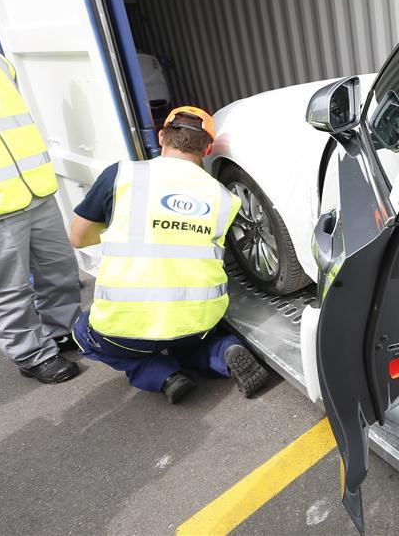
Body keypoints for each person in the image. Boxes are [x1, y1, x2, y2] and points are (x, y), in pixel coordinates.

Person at [69, 106, 270, 403]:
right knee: (183, 336)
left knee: (82, 333)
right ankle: (221, 351)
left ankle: (162, 375)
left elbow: (78, 237)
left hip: (123, 330)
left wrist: (122, 225)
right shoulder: (225, 199)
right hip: (198, 322)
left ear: (162, 136)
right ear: (208, 148)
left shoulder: (122, 175)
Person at [0, 45, 81, 384]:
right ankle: (33, 355)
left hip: (35, 190)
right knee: (7, 290)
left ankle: (61, 331)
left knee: (59, 269)